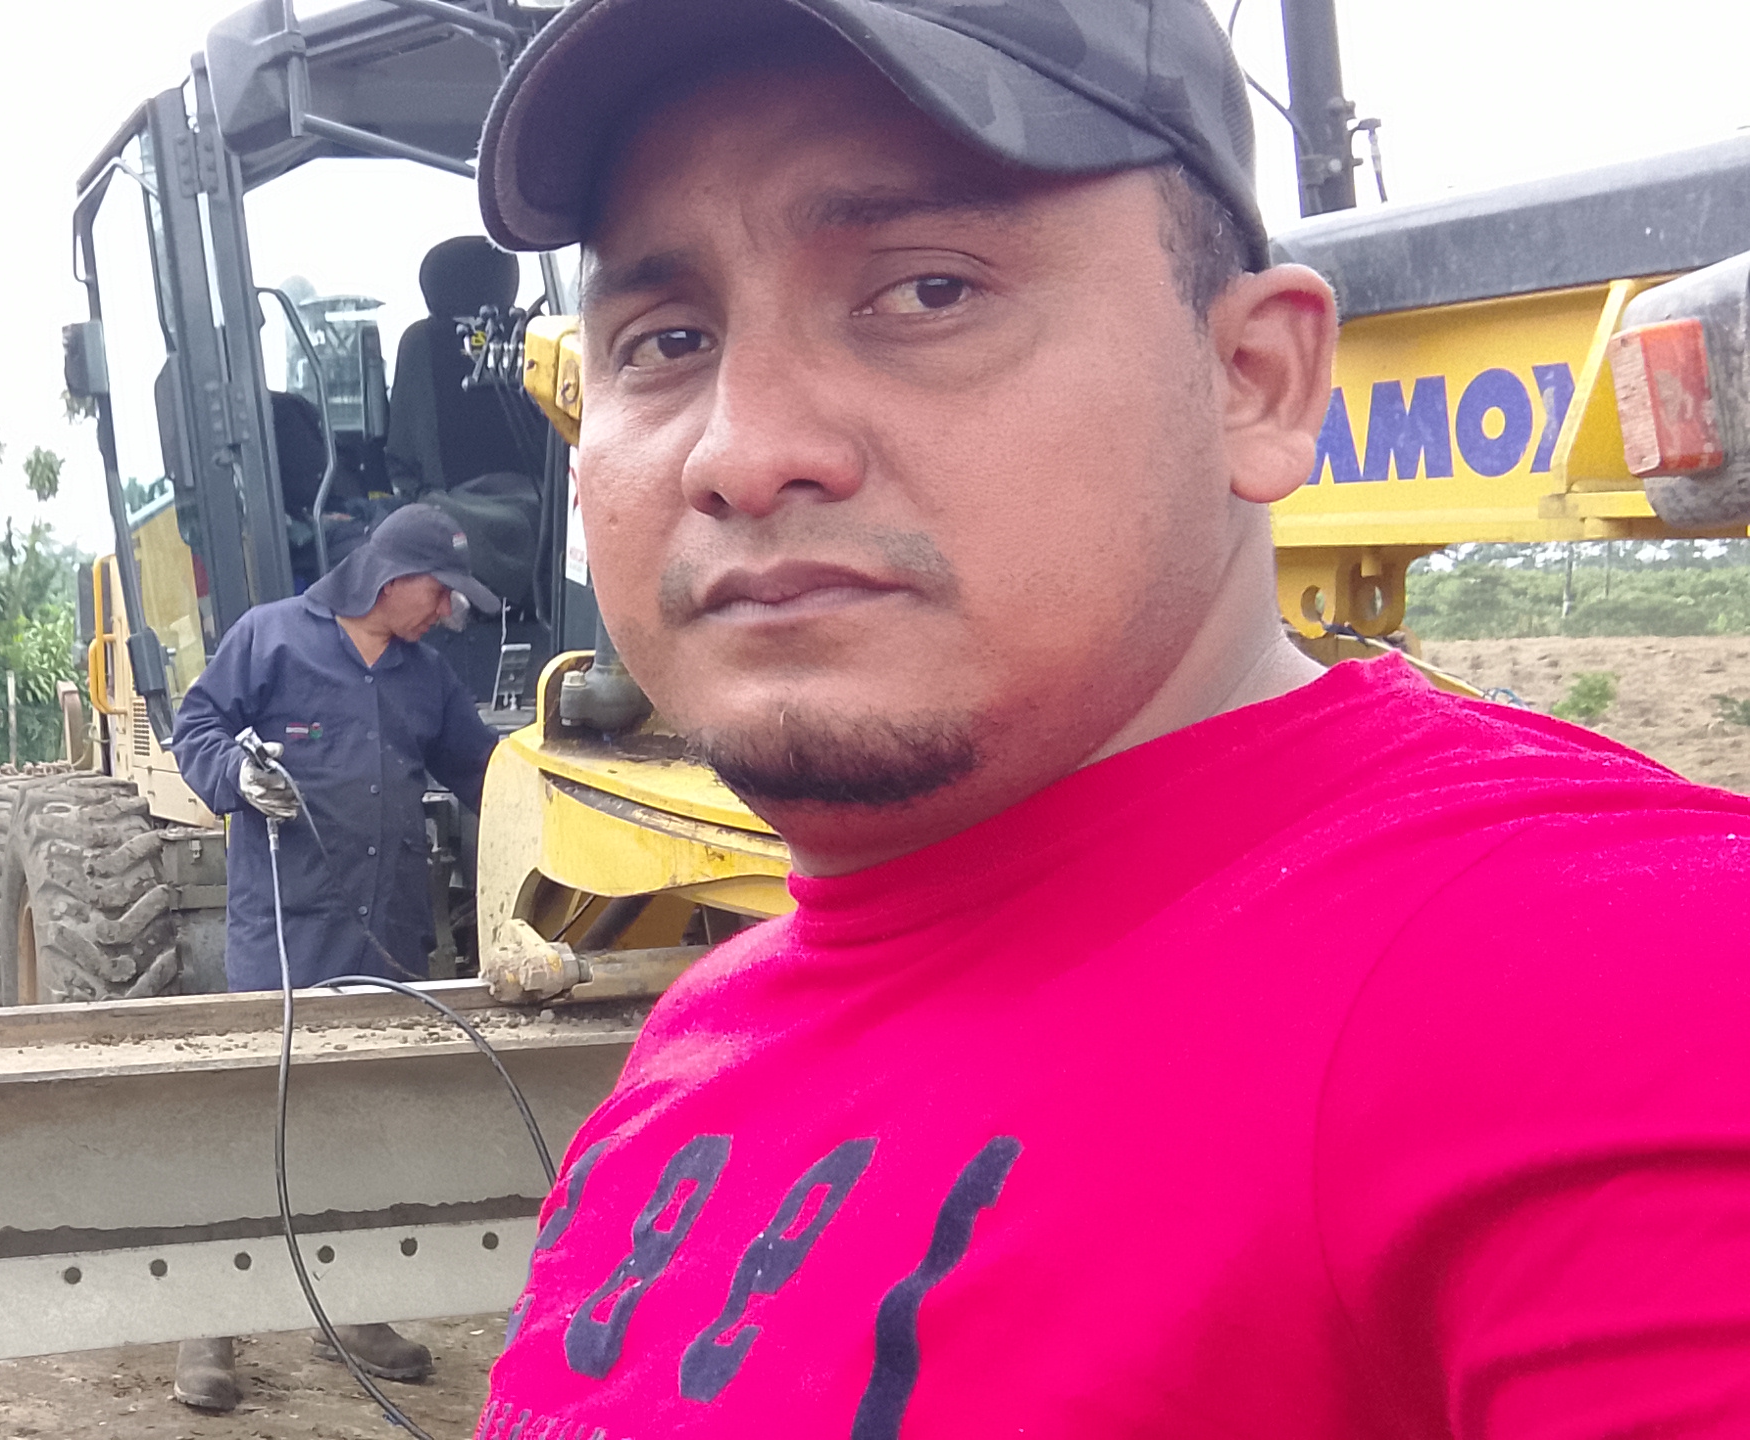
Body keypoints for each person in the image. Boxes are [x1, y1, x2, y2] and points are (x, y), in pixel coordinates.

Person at [461, 0, 1750, 1433]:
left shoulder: (1613, 983)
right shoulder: (703, 1042)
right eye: (666, 337)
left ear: (1253, 381)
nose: (742, 451)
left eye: (927, 292)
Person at [166, 501, 507, 1411]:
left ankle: (349, 1311)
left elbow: (487, 774)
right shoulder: (271, 638)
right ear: (392, 579)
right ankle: (211, 1324)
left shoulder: (426, 678)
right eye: (441, 593)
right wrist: (236, 776)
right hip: (287, 930)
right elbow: (196, 729)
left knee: (364, 1125)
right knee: (264, 1121)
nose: (447, 612)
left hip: (387, 933)